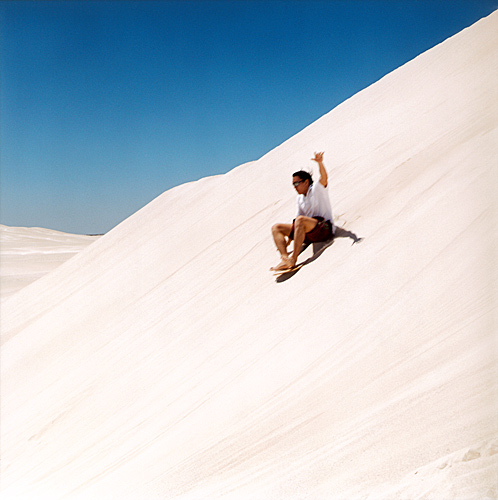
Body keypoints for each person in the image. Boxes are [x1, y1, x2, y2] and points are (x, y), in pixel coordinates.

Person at [271, 151, 335, 271]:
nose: (295, 186)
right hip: (308, 232)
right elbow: (297, 220)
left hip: (323, 229)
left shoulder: (316, 189)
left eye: (296, 183)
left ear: (306, 182)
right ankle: (285, 258)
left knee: (300, 220)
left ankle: (293, 259)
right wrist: (289, 239)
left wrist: (320, 163)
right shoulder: (300, 198)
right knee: (276, 228)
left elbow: (324, 178)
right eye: (293, 184)